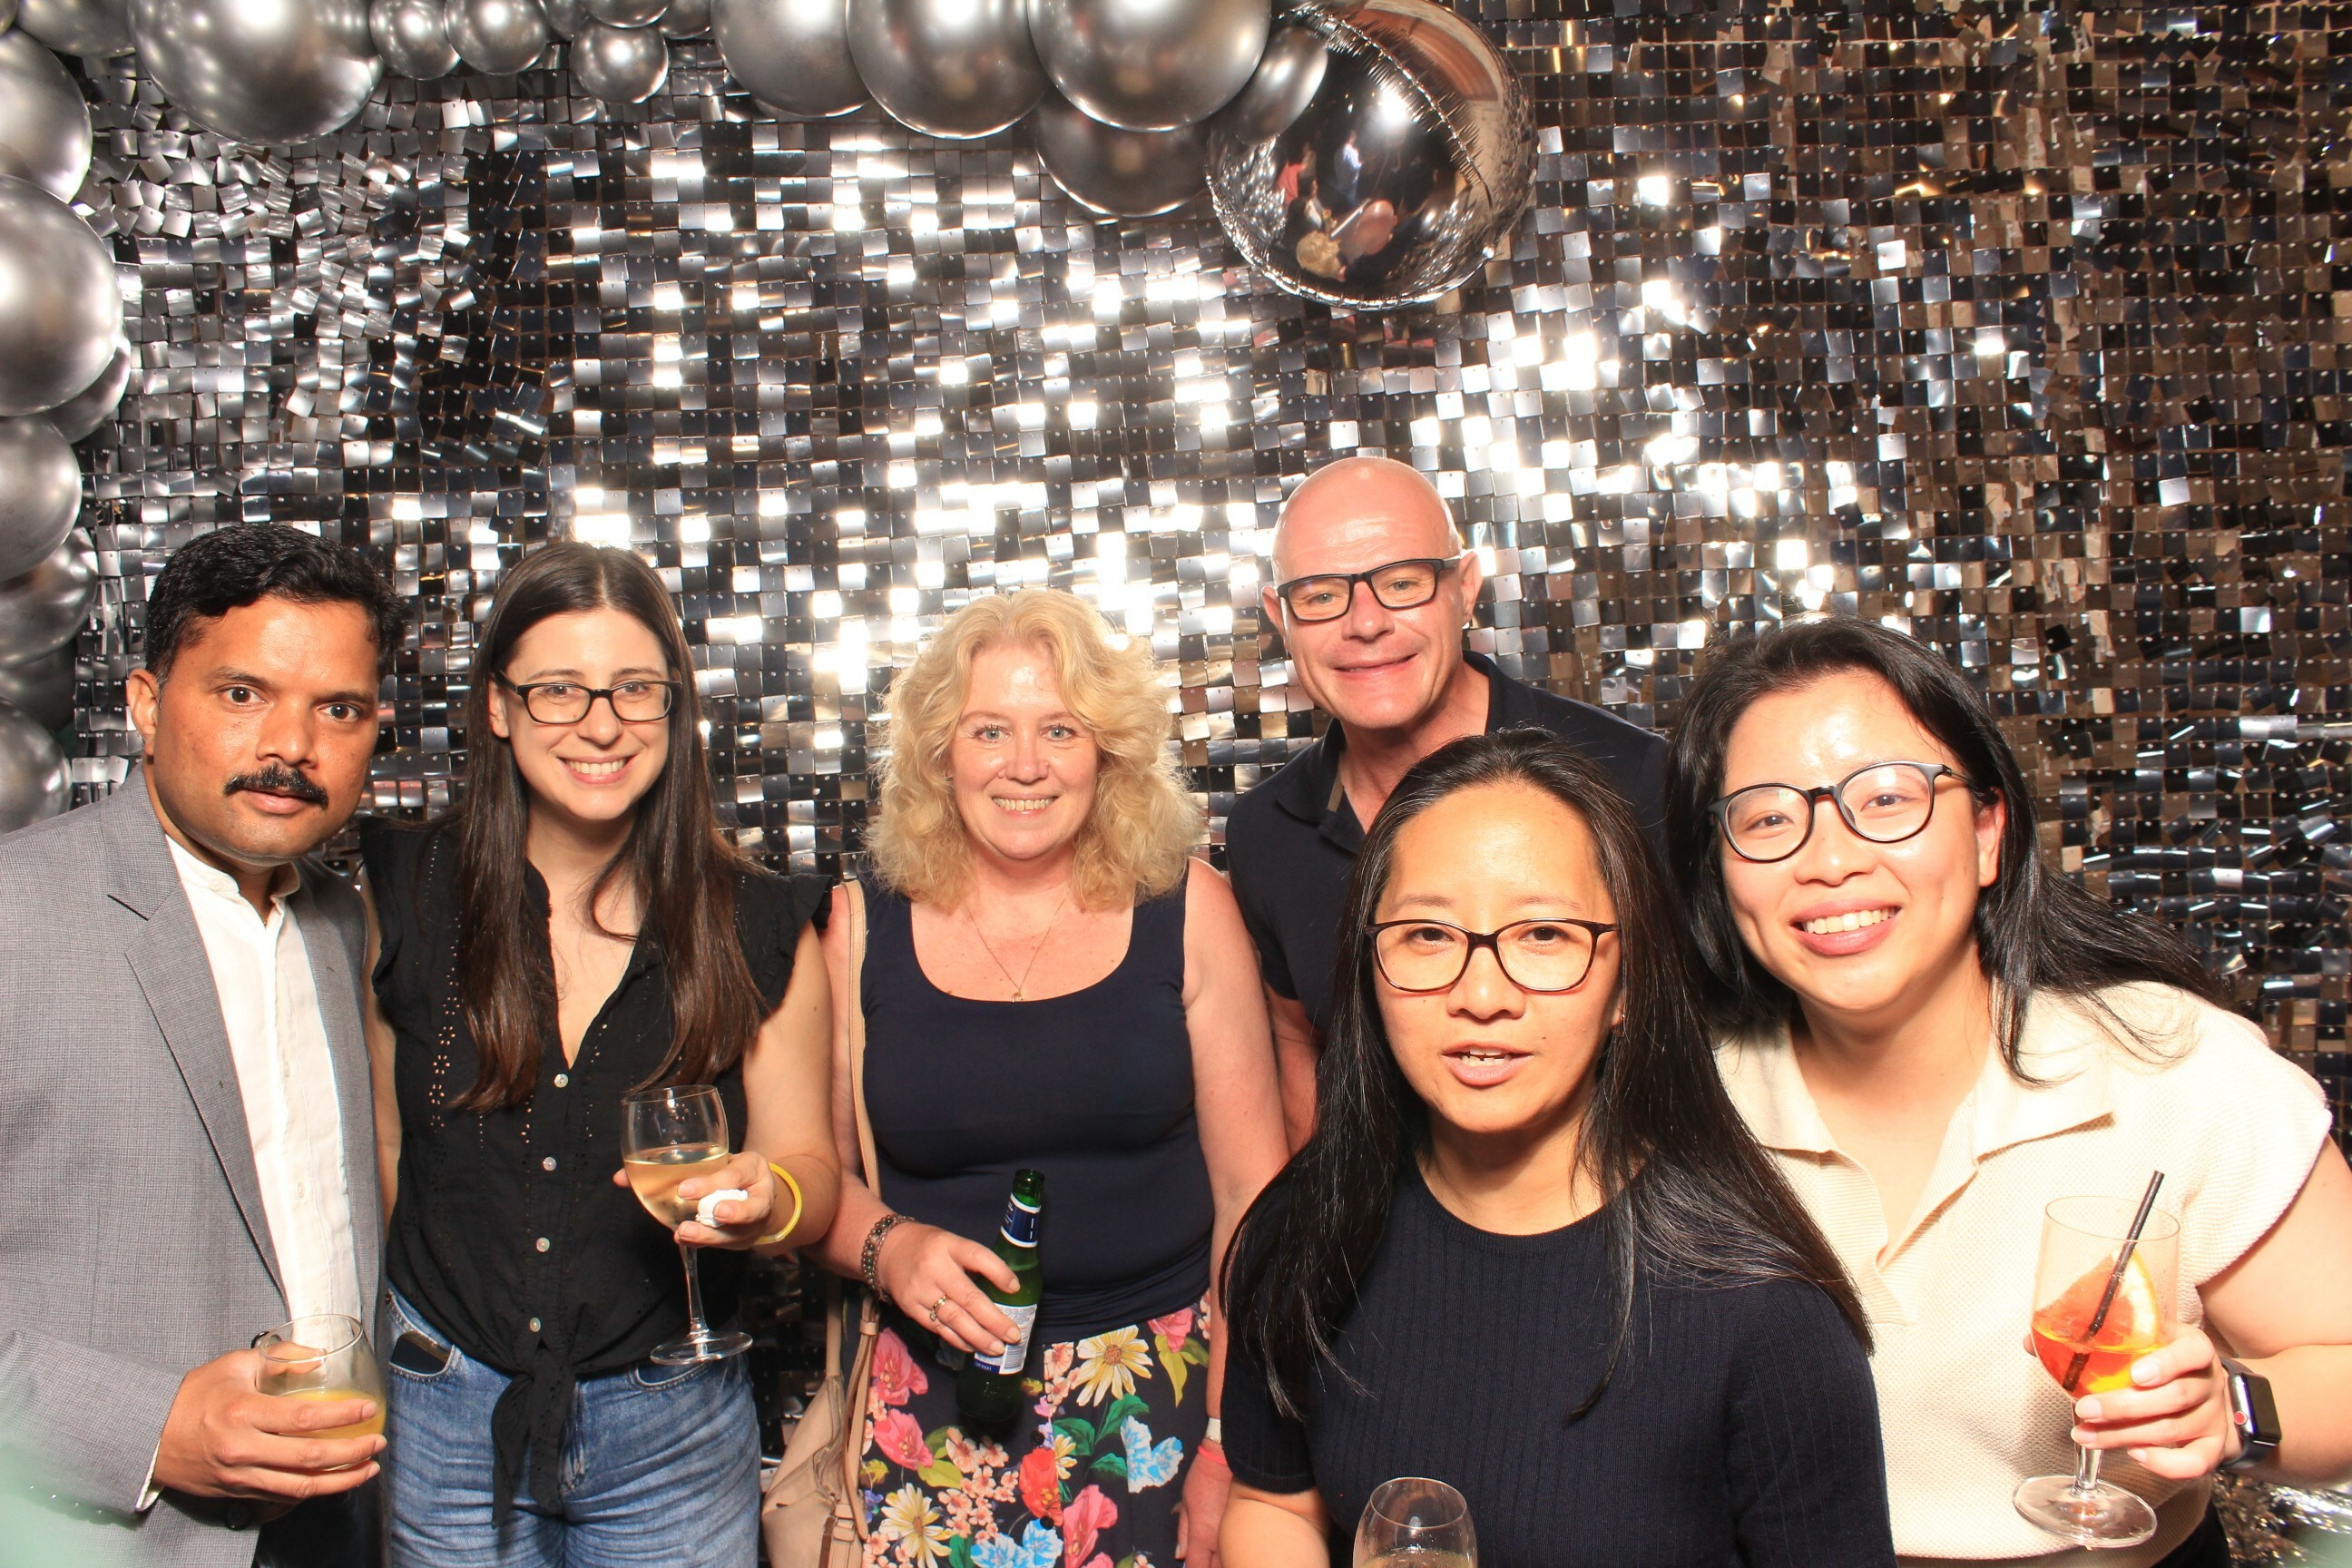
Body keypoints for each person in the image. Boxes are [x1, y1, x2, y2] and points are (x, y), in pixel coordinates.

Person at [1663, 618, 2352, 1568]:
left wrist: (2230, 1407)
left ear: (1989, 831)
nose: (1830, 860)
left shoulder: (2178, 1069)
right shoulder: (1677, 1102)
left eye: (1887, 798)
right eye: (1770, 819)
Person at [1218, 730, 1896, 1568]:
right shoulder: (1305, 1227)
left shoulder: (1766, 1317)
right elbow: (1271, 1501)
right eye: (1427, 935)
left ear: (1627, 983)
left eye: (1544, 935)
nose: (1482, 994)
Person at [357, 543, 840, 1567]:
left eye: (634, 688)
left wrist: (770, 1199)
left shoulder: (756, 920)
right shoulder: (402, 891)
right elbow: (384, 1156)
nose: (602, 723)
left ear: (674, 705)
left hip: (671, 1425)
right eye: (558, 690)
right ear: (499, 707)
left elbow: (814, 1176)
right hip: (443, 1411)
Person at [809, 589, 1288, 1568]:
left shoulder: (1189, 908)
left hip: (1159, 1392)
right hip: (927, 1411)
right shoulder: (857, 930)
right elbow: (812, 1184)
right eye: (989, 730)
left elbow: (1255, 1196)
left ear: (1107, 752)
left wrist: (1228, 1438)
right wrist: (890, 1248)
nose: (1024, 765)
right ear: (939, 753)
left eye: (1060, 730)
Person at [0, 524, 407, 1567]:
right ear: (145, 703)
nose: (291, 745)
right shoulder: (15, 913)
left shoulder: (343, 923)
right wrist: (146, 1428)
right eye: (242, 693)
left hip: (339, 1518)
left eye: (338, 709)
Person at [1226, 456, 1668, 1147]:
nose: (1365, 624)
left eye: (1403, 583)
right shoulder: (1265, 832)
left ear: (1466, 588)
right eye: (1320, 595)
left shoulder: (1632, 779)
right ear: (1280, 616)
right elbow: (1297, 1041)